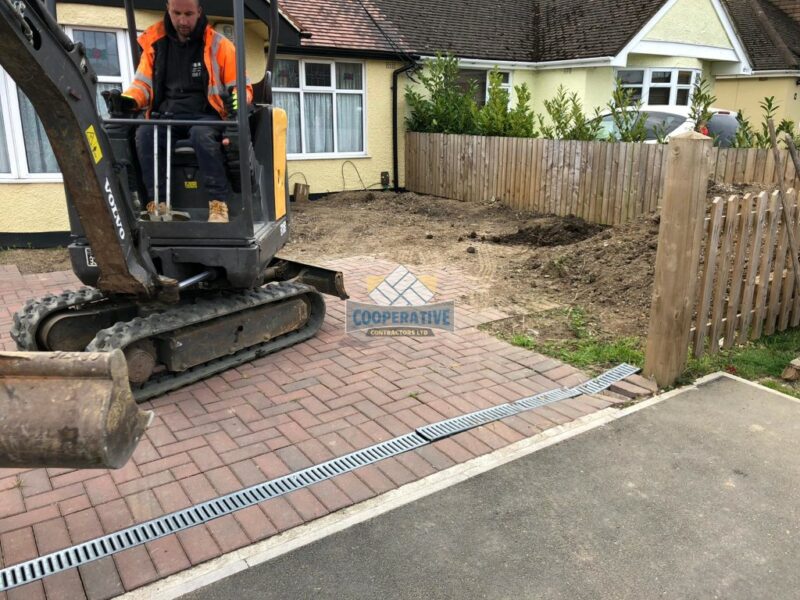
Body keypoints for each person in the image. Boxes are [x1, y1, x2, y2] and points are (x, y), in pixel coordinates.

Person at [111, 0, 253, 223]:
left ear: (199, 12)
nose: (182, 20)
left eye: (188, 14)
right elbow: (143, 84)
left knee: (202, 135)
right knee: (145, 134)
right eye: (177, 13)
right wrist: (128, 101)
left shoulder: (219, 45)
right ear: (168, 9)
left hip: (206, 116)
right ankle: (158, 205)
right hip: (168, 116)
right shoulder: (155, 42)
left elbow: (241, 86)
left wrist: (236, 99)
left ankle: (218, 205)